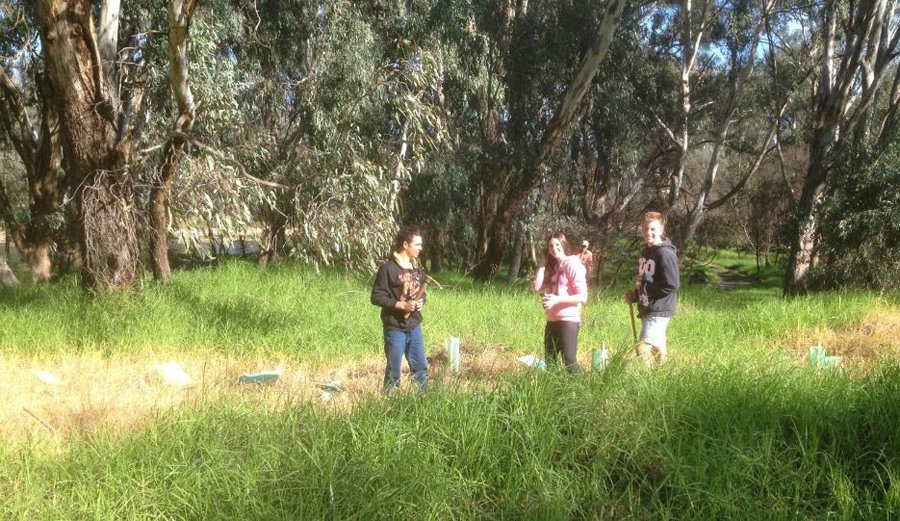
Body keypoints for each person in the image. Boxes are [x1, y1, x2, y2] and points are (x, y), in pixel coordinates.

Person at [371, 226, 429, 392]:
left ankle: (423, 400)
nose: (420, 248)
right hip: (394, 328)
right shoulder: (388, 268)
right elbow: (376, 296)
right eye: (417, 245)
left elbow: (422, 293)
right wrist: (401, 305)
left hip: (414, 326)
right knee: (393, 370)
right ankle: (390, 403)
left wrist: (420, 302)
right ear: (405, 244)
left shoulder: (417, 268)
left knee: (420, 367)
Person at [624, 212, 680, 365]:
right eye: (645, 229)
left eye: (653, 229)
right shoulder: (646, 252)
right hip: (647, 307)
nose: (648, 232)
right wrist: (635, 296)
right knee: (659, 352)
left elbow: (672, 285)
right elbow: (645, 279)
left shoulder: (665, 253)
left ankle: (643, 386)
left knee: (643, 349)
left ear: (661, 230)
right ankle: (663, 382)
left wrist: (644, 287)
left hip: (658, 309)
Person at [533, 232, 588, 373]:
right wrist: (543, 264)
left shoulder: (572, 263)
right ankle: (553, 392)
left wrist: (556, 299)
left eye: (557, 244)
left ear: (564, 245)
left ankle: (577, 392)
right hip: (552, 320)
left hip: (568, 320)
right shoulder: (554, 267)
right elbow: (537, 287)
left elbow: (583, 296)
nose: (554, 248)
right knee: (550, 360)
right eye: (550, 245)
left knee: (569, 360)